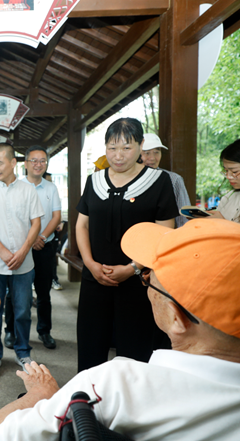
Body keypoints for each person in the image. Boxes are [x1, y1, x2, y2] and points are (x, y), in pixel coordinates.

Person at [0, 219, 240, 441]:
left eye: (149, 279)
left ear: (176, 317)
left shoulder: (113, 387)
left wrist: (38, 397)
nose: (146, 283)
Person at [75, 118, 177, 372]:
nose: (118, 156)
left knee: (135, 349)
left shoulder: (158, 181)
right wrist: (89, 264)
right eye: (112, 148)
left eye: (126, 148)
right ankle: (88, 404)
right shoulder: (94, 181)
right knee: (91, 346)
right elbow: (81, 226)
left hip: (137, 281)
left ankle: (132, 406)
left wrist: (132, 268)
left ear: (141, 146)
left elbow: (165, 232)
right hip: (95, 278)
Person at [0, 142, 44, 378]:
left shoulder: (28, 190)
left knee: (22, 311)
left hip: (24, 264)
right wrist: (4, 252)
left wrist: (22, 251)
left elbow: (36, 223)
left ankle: (23, 352)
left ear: (12, 163)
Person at [4, 146, 61, 350]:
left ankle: (44, 331)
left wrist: (42, 237)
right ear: (25, 163)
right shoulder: (16, 187)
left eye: (42, 160)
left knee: (44, 292)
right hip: (21, 247)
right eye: (34, 160)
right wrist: (31, 239)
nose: (38, 164)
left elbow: (56, 216)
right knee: (15, 292)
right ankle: (10, 331)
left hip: (45, 246)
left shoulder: (51, 188)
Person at [140, 133, 191, 228]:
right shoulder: (129, 179)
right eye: (147, 153)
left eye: (157, 152)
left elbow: (184, 217)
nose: (152, 158)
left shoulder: (174, 179)